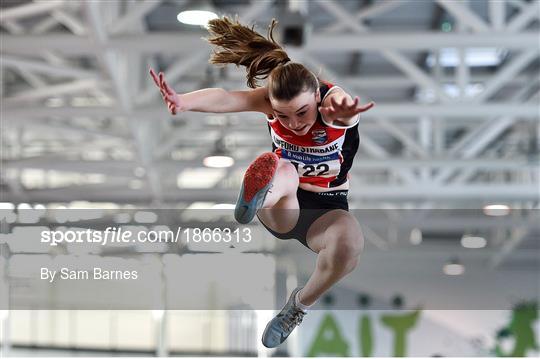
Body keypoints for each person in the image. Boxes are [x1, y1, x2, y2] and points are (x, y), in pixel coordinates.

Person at [150, 16, 375, 348]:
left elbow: (345, 114)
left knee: (350, 247)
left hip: (327, 210)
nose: (294, 123)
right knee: (283, 169)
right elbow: (227, 98)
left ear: (316, 95)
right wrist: (185, 101)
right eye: (282, 115)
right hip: (283, 203)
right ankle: (256, 195)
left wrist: (346, 113)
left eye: (301, 113)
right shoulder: (271, 101)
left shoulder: (330, 104)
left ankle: (297, 307)